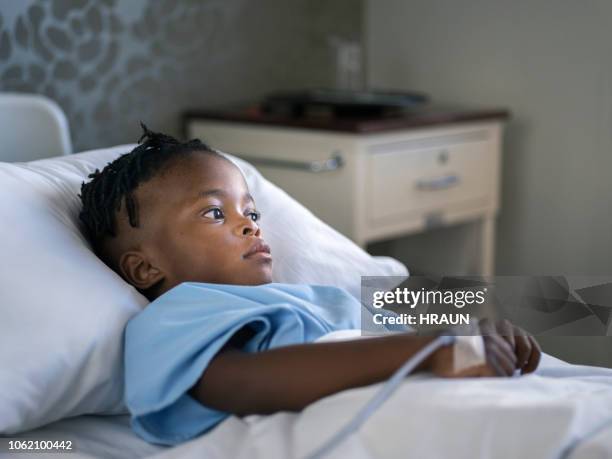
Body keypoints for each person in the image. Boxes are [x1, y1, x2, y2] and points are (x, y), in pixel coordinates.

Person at [78, 125, 541, 445]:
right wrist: (431, 350)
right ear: (144, 269)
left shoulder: (319, 297)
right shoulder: (179, 312)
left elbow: (418, 334)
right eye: (215, 213)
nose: (251, 227)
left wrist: (484, 339)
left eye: (251, 213)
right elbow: (237, 384)